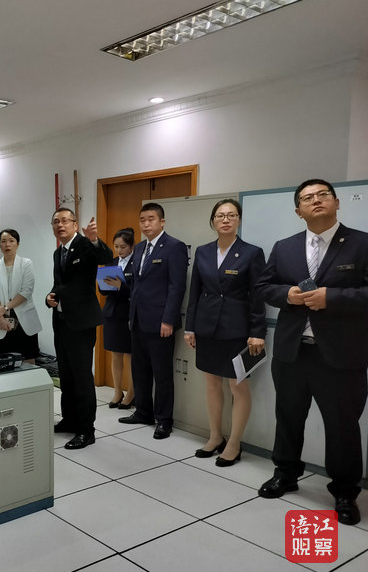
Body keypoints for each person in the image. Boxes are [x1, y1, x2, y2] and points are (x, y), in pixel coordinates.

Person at [255, 178, 368, 525]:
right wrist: (287, 295)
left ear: (336, 203)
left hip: (340, 355)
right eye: (307, 198)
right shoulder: (284, 247)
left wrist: (332, 298)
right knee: (288, 417)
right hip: (292, 352)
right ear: (298, 211)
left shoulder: (361, 244)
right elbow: (264, 286)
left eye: (323, 195)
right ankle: (285, 474)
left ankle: (345, 492)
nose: (316, 200)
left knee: (342, 426)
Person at [184, 199, 266, 466]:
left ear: (239, 220)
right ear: (213, 221)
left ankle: (234, 443)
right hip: (206, 327)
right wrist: (190, 327)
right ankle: (215, 436)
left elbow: (258, 297)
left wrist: (258, 331)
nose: (226, 219)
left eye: (231, 215)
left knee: (238, 386)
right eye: (220, 215)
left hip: (238, 330)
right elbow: (195, 292)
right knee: (211, 383)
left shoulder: (252, 253)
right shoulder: (203, 251)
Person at [119, 202, 188, 440]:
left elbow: (177, 287)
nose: (146, 224)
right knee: (140, 370)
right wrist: (131, 316)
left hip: (161, 322)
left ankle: (164, 419)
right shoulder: (139, 248)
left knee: (162, 373)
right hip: (138, 320)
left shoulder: (174, 247)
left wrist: (168, 319)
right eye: (142, 220)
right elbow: (136, 285)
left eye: (151, 219)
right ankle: (143, 411)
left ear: (162, 222)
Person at [47, 208, 113, 450]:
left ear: (75, 224)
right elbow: (59, 284)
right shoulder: (58, 252)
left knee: (82, 376)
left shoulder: (85, 245)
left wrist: (94, 239)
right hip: (61, 321)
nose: (60, 225)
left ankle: (86, 430)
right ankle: (70, 419)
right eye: (56, 222)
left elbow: (106, 258)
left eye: (65, 221)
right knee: (66, 375)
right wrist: (49, 297)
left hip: (81, 323)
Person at [0, 228, 42, 363]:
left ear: (17, 244)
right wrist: (1, 318)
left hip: (24, 318)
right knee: (3, 361)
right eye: (3, 241)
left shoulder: (26, 264)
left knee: (28, 359)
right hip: (2, 319)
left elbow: (26, 291)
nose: (7, 244)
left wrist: (5, 308)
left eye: (11, 241)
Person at [100, 227, 136, 409]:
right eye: (116, 246)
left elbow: (137, 291)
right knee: (115, 354)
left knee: (130, 355)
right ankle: (117, 391)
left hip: (128, 313)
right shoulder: (112, 262)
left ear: (131, 246)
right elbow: (103, 290)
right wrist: (104, 284)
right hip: (112, 313)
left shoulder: (137, 263)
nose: (119, 250)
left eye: (123, 247)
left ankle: (131, 393)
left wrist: (121, 286)